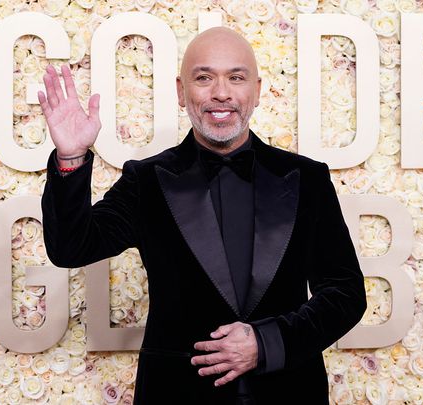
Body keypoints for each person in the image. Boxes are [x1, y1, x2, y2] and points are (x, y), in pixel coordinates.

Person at [40, 27, 366, 405]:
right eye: (204, 77)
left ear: (257, 91)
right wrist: (71, 157)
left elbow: (346, 293)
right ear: (182, 91)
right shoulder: (146, 181)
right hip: (177, 395)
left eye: (236, 77)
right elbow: (70, 247)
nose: (221, 92)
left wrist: (266, 343)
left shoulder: (308, 179)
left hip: (290, 391)